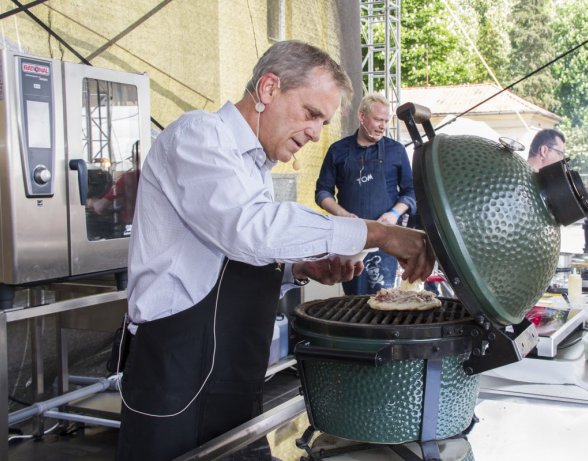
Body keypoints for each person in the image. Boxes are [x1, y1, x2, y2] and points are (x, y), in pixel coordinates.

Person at [115, 40, 434, 461]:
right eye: (311, 114)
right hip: (176, 380)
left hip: (233, 379)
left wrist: (301, 267)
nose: (316, 133)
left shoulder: (255, 169)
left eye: (323, 121)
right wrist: (378, 233)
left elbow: (228, 259)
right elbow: (249, 230)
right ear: (268, 89)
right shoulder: (198, 136)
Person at [315, 93, 416, 295]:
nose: (383, 126)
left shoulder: (396, 151)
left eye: (386, 121)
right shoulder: (338, 150)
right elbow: (322, 192)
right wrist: (342, 214)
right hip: (351, 240)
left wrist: (394, 214)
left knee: (384, 297)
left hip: (386, 240)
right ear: (362, 116)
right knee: (355, 298)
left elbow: (410, 192)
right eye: (378, 119)